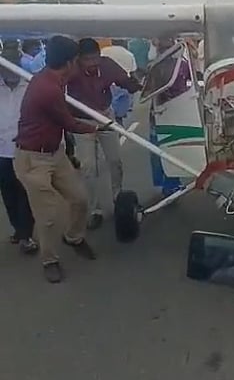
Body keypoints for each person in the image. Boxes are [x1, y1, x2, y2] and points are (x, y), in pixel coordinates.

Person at [14, 36, 99, 283]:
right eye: (77, 60)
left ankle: (73, 237)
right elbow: (69, 123)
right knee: (48, 216)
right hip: (33, 159)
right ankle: (49, 260)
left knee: (80, 199)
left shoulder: (54, 78)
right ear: (69, 62)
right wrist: (97, 127)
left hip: (55, 153)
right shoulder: (48, 89)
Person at [68, 38, 141, 229]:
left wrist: (141, 85)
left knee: (115, 161)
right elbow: (56, 88)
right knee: (88, 167)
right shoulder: (71, 70)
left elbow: (126, 81)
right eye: (88, 60)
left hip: (106, 116)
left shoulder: (107, 65)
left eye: (96, 58)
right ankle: (94, 210)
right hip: (81, 122)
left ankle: (118, 198)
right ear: (79, 59)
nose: (93, 63)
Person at [0, 47, 37, 254]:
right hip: (2, 152)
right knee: (8, 194)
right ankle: (18, 229)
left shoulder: (30, 86)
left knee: (25, 193)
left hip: (25, 149)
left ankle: (26, 235)